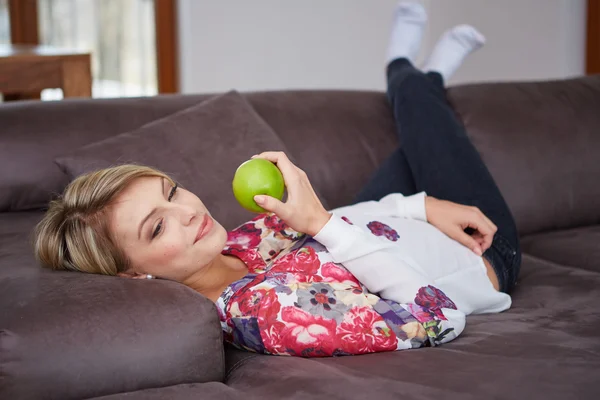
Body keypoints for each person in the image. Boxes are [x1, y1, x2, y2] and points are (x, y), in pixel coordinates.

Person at [34, 3, 521, 357]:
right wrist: (324, 225)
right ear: (133, 273)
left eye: (173, 192)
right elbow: (437, 318)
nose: (187, 212)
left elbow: (346, 220)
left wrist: (418, 207)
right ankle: (409, 73)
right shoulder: (273, 316)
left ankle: (424, 79)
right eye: (156, 228)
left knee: (424, 138)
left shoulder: (236, 244)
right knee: (428, 126)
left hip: (406, 220)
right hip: (479, 255)